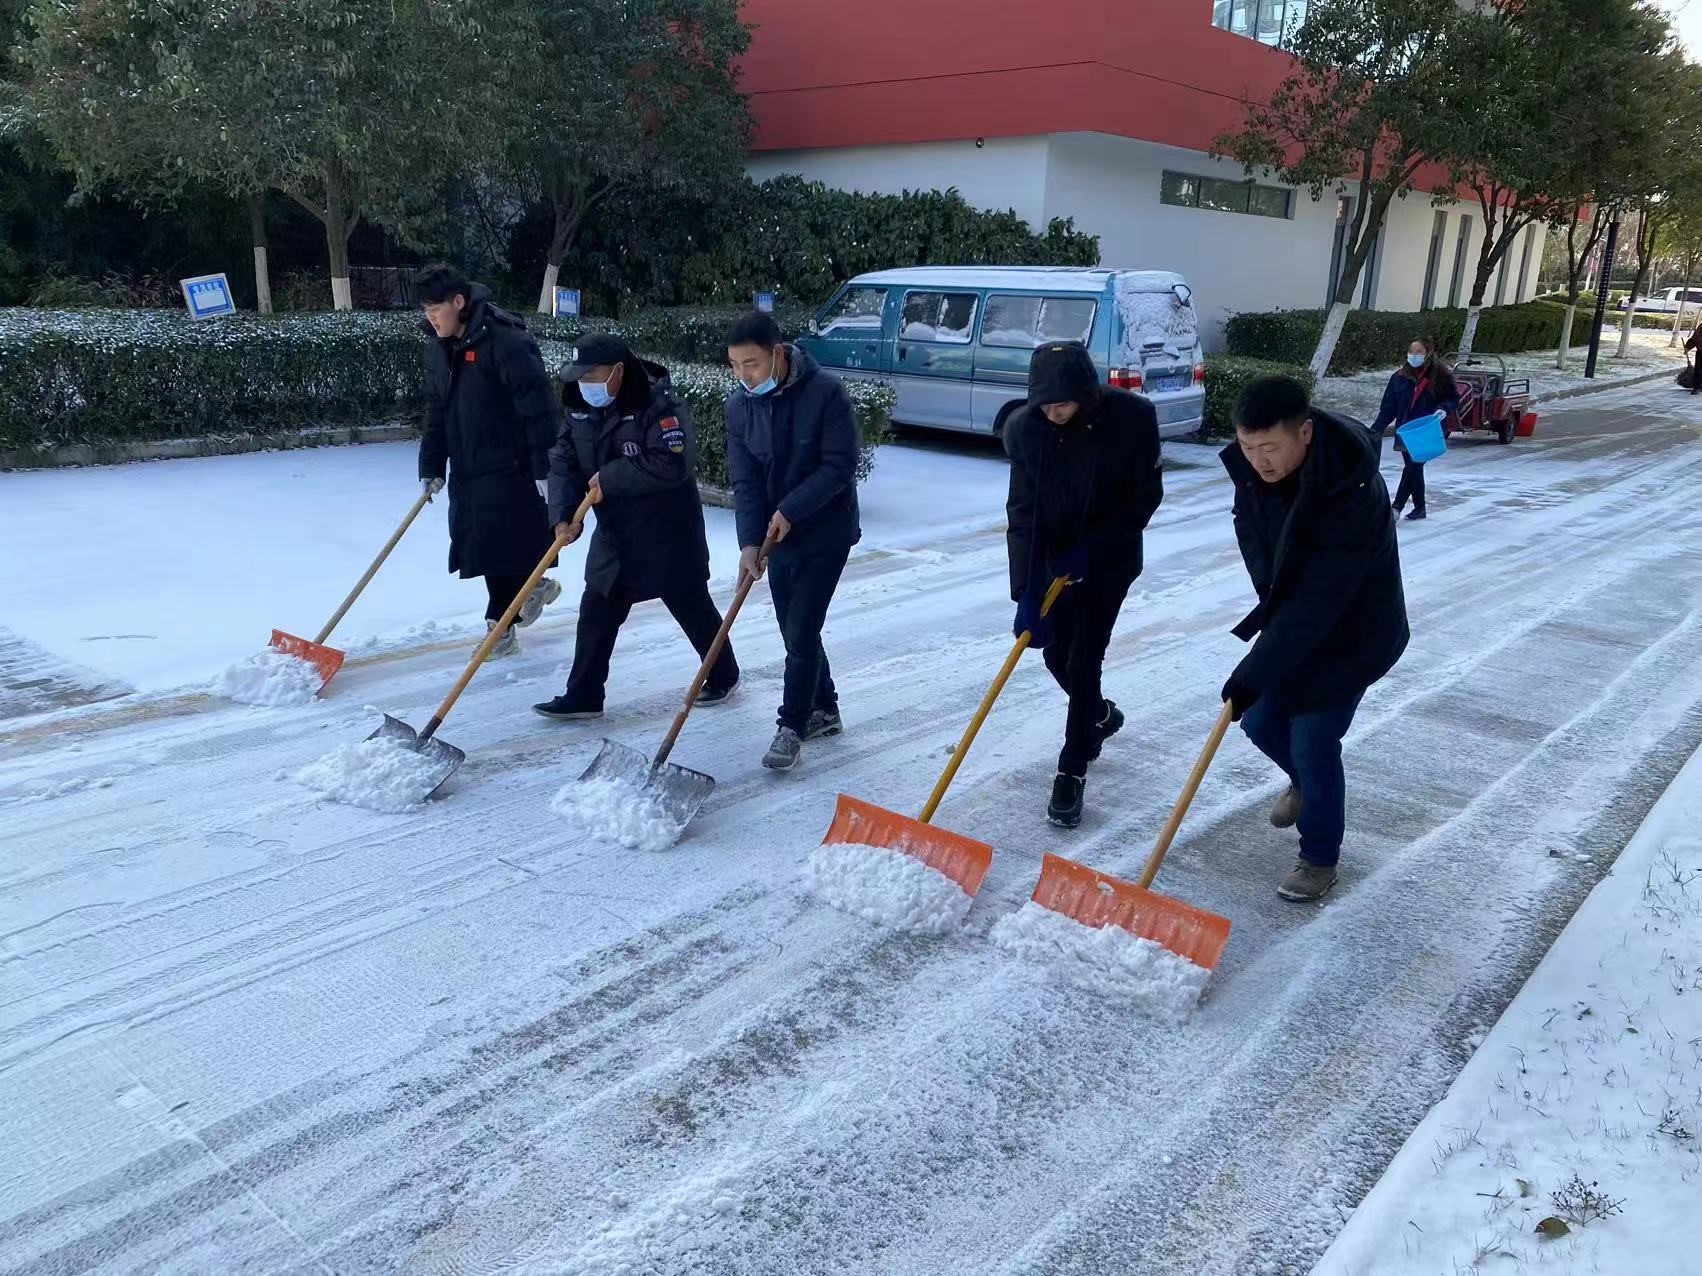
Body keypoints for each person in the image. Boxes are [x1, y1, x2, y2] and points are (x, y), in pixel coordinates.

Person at [1221, 374, 1409, 902]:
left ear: (1304, 433)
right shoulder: (1254, 475)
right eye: (1248, 447)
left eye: (1270, 448)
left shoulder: (1351, 491)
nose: (1258, 461)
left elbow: (1319, 600)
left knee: (1313, 739)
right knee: (1260, 723)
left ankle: (1319, 858)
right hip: (1296, 626)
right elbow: (1265, 553)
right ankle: (1307, 783)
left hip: (1355, 634)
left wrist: (1255, 668)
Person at [532, 335, 739, 719]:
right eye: (579, 377)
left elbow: (672, 463)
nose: (585, 384)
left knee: (691, 605)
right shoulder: (579, 407)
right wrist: (562, 514)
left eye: (592, 375)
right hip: (616, 533)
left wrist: (609, 478)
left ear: (618, 371)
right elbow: (563, 460)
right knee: (597, 608)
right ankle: (583, 695)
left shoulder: (659, 405)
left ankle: (723, 673)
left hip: (667, 531)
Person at [1005, 341, 1163, 829]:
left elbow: (1143, 499)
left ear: (1086, 394)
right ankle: (1098, 714)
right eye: (1044, 404)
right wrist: (1027, 590)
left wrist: (1092, 549)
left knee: (1083, 658)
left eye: (1063, 404)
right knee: (1054, 655)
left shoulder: (1131, 418)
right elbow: (1023, 514)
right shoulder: (1027, 430)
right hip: (1055, 561)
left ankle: (1072, 769)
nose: (1053, 413)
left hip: (1109, 559)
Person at [723, 311, 861, 772]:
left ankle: (792, 726)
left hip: (826, 530)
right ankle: (826, 708)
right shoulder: (739, 407)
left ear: (778, 354)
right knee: (793, 627)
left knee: (801, 628)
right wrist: (748, 542)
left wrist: (790, 509)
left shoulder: (825, 394)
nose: (744, 375)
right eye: (735, 365)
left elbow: (839, 466)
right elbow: (745, 480)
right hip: (775, 536)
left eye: (752, 363)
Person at [417, 263, 563, 659]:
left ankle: (499, 628)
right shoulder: (440, 346)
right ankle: (534, 587)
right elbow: (438, 409)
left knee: (502, 549)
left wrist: (544, 467)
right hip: (470, 467)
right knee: (484, 548)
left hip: (511, 469)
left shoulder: (505, 341)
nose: (430, 319)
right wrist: (431, 465)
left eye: (436, 309)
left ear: (458, 302)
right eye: (425, 311)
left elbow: (539, 407)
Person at [1371, 337, 1459, 522]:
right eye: (1411, 351)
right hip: (1406, 430)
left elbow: (1452, 398)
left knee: (1413, 466)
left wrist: (1444, 409)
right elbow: (1389, 407)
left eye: (1418, 352)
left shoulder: (1440, 375)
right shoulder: (1399, 377)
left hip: (1427, 430)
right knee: (1414, 468)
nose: (1414, 355)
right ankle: (1420, 508)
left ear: (1428, 353)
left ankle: (1396, 508)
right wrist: (1376, 430)